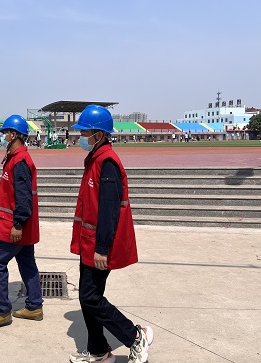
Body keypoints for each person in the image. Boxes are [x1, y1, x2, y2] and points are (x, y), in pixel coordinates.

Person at [68, 105, 153, 363]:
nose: (81, 137)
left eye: (85, 132)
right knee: (87, 298)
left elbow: (108, 210)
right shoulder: (95, 159)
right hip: (89, 242)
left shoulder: (107, 163)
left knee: (90, 297)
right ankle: (99, 351)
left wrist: (102, 248)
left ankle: (134, 336)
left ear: (100, 134)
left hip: (98, 245)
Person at [0, 114, 43, 330]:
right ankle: (34, 306)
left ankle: (1, 311)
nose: (3, 136)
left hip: (15, 226)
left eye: (5, 132)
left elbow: (24, 198)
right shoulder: (14, 158)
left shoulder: (20, 161)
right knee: (27, 263)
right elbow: (8, 193)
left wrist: (18, 224)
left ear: (13, 134)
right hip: (13, 222)